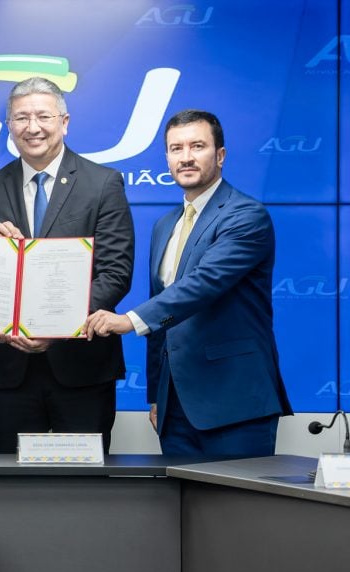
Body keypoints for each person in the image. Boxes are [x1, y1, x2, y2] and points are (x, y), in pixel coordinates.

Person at [84, 110, 291, 456]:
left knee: (237, 494)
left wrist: (129, 320)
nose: (186, 157)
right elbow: (163, 320)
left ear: (220, 155)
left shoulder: (246, 215)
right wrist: (156, 395)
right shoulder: (165, 226)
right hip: (176, 408)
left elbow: (203, 283)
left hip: (235, 402)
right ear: (167, 158)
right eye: (176, 148)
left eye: (197, 146)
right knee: (180, 495)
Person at [0, 77, 134, 454]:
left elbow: (115, 273)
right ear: (9, 126)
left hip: (83, 369)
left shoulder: (102, 183)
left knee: (81, 480)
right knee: (14, 482)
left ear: (64, 122)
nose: (33, 127)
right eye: (21, 118)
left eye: (43, 116)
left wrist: (56, 327)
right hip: (11, 371)